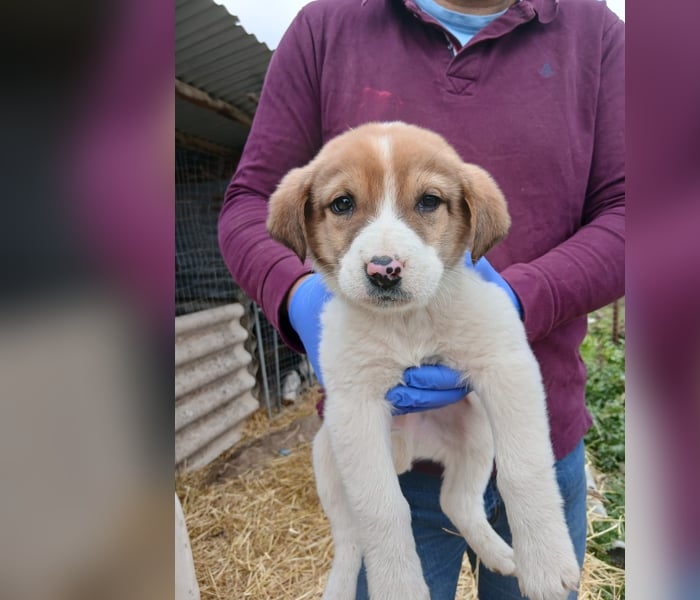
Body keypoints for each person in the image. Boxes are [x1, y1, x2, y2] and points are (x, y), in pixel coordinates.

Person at [218, 0, 624, 598]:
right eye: (344, 205)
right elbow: (252, 201)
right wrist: (296, 294)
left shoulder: (596, 37)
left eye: (427, 202)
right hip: (382, 453)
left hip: (537, 433)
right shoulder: (327, 27)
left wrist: (521, 299)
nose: (384, 258)